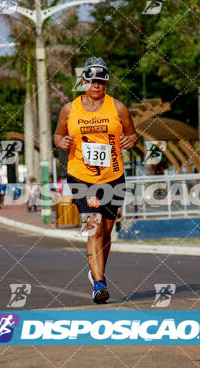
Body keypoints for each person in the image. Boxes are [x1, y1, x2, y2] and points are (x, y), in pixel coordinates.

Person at [54, 57, 138, 304]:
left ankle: (97, 271)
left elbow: (132, 134)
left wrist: (131, 140)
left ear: (106, 83)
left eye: (101, 81)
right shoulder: (70, 109)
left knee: (108, 231)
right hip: (81, 175)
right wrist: (62, 142)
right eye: (91, 80)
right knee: (96, 227)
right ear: (83, 81)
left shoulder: (118, 108)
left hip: (113, 176)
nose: (96, 85)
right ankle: (99, 284)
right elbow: (58, 135)